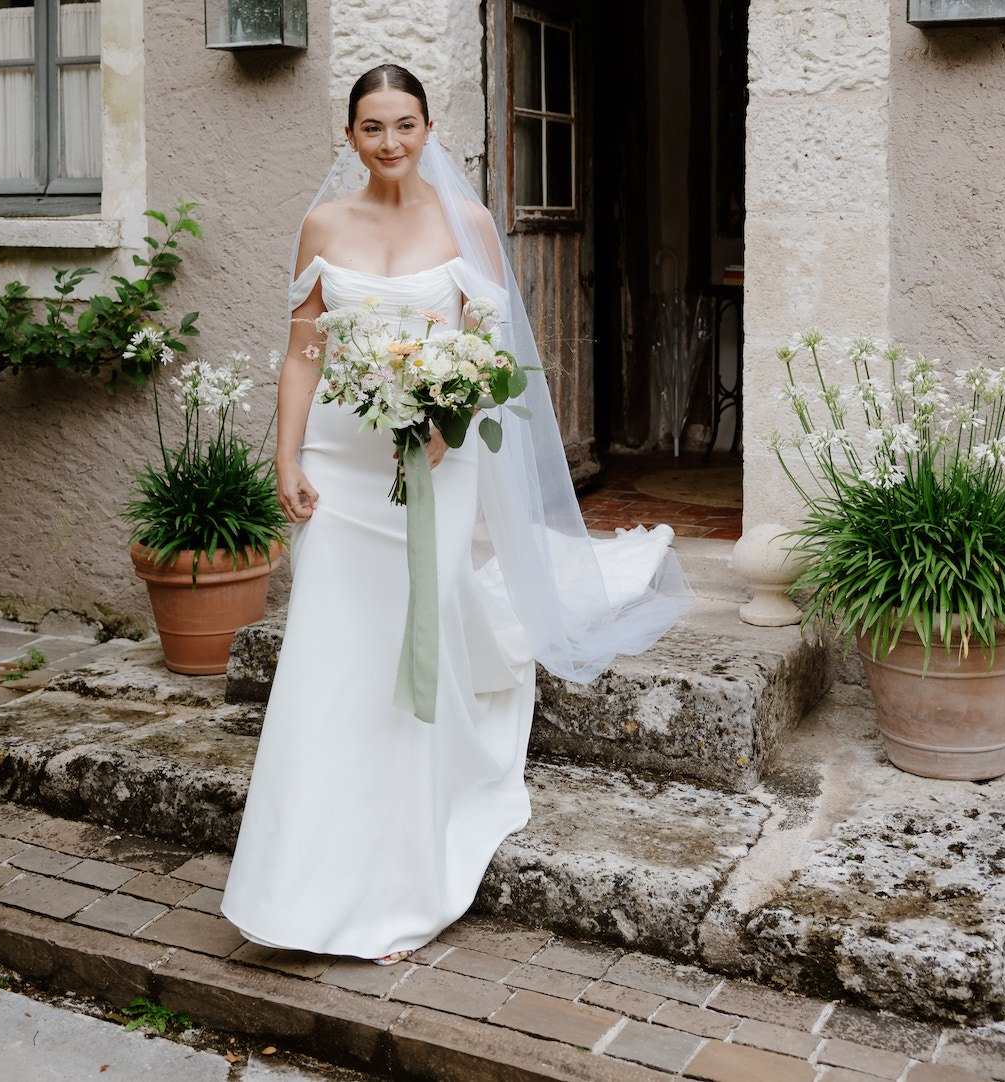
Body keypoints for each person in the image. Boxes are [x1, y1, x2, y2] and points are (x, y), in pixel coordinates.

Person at [221, 65, 694, 963]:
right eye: (371, 127)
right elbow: (301, 354)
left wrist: (448, 417)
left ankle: (401, 875)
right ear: (349, 137)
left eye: (404, 124)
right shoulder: (322, 226)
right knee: (329, 647)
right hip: (341, 465)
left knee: (414, 634)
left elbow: (490, 352)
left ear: (430, 128)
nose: (390, 142)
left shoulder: (466, 224)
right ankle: (296, 882)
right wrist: (283, 457)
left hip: (436, 466)